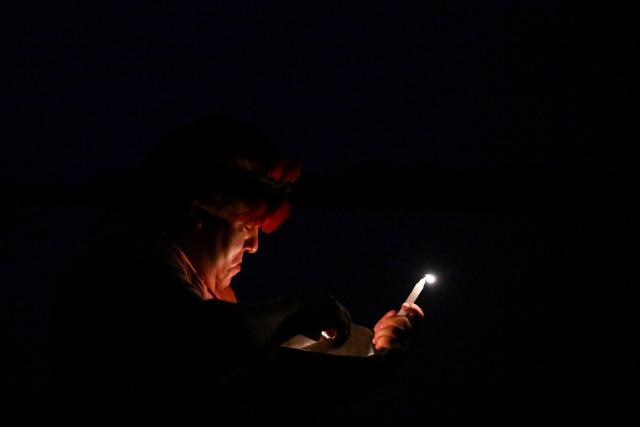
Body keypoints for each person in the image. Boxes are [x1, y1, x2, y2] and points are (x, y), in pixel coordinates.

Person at [48, 115, 424, 425]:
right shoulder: (130, 268)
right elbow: (196, 339)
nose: (255, 245)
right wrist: (296, 313)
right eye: (247, 225)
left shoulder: (212, 297)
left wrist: (376, 357)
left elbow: (276, 383)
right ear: (200, 214)